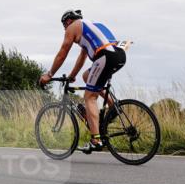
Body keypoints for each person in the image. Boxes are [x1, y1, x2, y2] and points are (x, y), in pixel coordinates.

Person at [38, 9, 126, 152]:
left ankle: (96, 140)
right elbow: (82, 58)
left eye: (64, 26)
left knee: (89, 97)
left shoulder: (73, 27)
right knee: (87, 77)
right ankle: (113, 106)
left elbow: (62, 53)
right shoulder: (89, 26)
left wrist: (49, 74)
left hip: (105, 56)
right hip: (119, 55)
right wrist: (72, 75)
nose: (65, 30)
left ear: (67, 21)